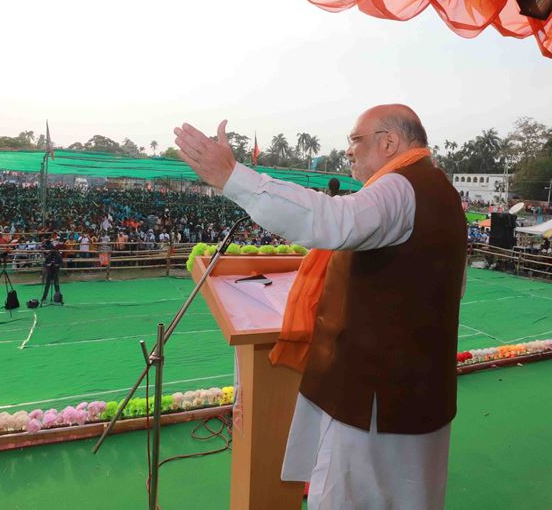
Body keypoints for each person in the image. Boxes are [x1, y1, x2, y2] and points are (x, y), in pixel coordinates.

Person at [174, 104, 467, 510]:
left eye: (355, 140)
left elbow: (331, 219)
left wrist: (233, 178)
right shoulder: (439, 190)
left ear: (389, 142)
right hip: (413, 390)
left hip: (373, 398)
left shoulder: (400, 186)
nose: (349, 151)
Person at [40, 240, 63, 304]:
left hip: (55, 272)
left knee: (56, 285)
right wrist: (48, 265)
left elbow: (61, 263)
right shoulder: (48, 255)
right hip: (49, 272)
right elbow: (44, 264)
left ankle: (58, 297)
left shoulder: (58, 256)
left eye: (53, 249)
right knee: (47, 285)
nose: (52, 250)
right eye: (51, 249)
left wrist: (57, 265)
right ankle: (44, 297)